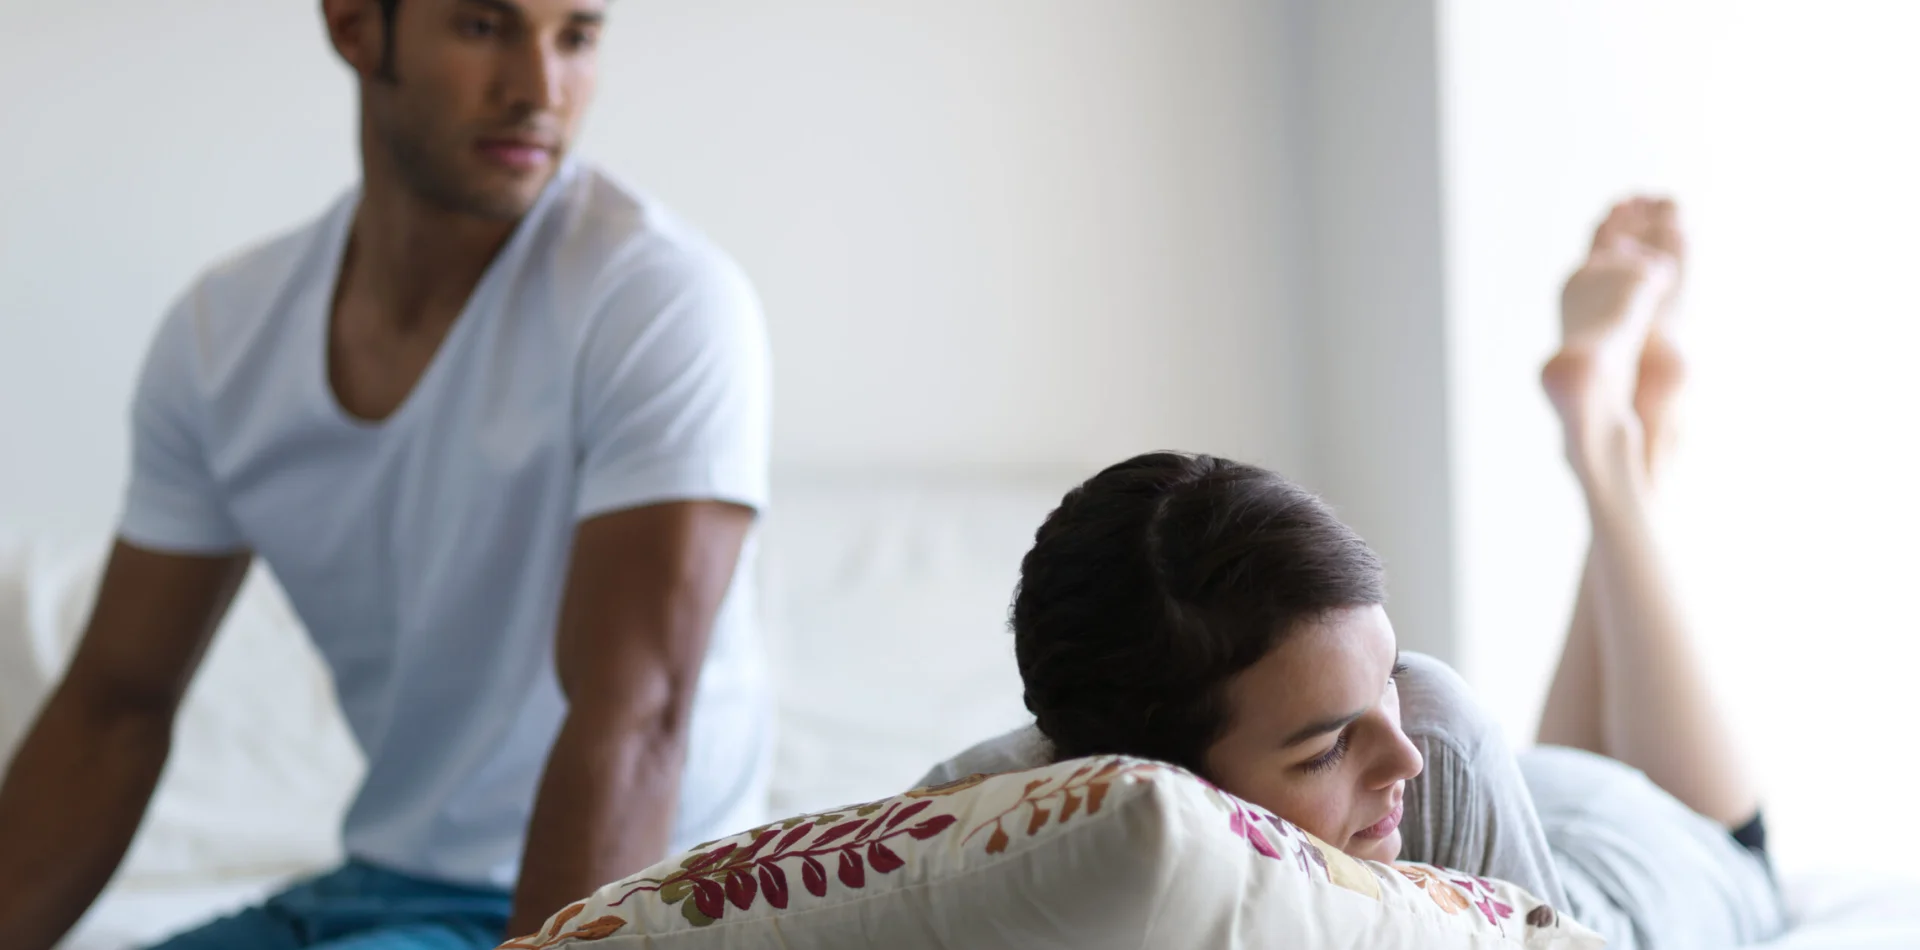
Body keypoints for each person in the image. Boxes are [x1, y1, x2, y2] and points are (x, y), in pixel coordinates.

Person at [0, 1, 773, 947]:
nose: (538, 90)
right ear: (357, 26)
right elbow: (111, 713)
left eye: (576, 36)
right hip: (381, 887)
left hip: (630, 894)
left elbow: (637, 720)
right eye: (485, 26)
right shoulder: (224, 337)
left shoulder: (655, 299)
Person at [922, 198, 1788, 948]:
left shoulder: (1433, 736)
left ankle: (1615, 462)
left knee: (1737, 851)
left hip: (1637, 869)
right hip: (1522, 803)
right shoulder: (1011, 807)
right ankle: (1628, 434)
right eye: (1328, 746)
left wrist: (1353, 745)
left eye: (1386, 684)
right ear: (1166, 779)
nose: (1398, 753)